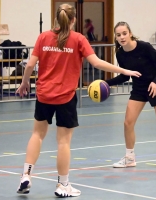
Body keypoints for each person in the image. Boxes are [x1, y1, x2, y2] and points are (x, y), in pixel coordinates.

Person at [15, 4, 141, 198]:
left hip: (43, 95)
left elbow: (31, 64)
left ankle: (26, 175)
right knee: (63, 142)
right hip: (65, 97)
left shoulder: (44, 37)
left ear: (56, 18)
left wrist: (24, 83)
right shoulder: (78, 39)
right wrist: (124, 71)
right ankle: (63, 185)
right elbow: (97, 62)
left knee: (37, 135)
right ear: (73, 20)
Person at [104, 21, 156, 169]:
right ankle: (130, 158)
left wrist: (155, 82)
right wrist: (105, 83)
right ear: (115, 37)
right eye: (118, 35)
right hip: (139, 89)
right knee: (128, 123)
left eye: (124, 33)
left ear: (130, 33)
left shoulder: (144, 47)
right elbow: (125, 76)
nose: (122, 37)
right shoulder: (120, 54)